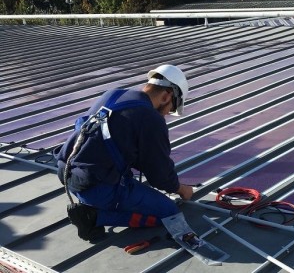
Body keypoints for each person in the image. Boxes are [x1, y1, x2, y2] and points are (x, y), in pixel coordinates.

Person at [54, 64, 193, 241]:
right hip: (94, 187)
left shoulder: (114, 94)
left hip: (66, 172)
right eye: (171, 109)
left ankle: (103, 203)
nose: (167, 114)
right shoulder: (151, 119)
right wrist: (182, 189)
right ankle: (93, 216)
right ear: (167, 96)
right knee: (169, 213)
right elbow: (160, 176)